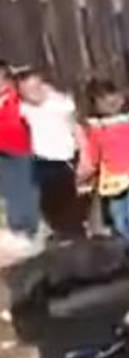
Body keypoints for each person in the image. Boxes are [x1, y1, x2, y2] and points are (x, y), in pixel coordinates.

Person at [78, 81, 129, 273]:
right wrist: (91, 174)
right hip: (113, 175)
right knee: (117, 214)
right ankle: (127, 247)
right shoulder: (96, 125)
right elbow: (95, 151)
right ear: (95, 103)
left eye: (114, 97)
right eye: (104, 100)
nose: (111, 103)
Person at [15, 68, 82, 236]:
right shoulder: (23, 108)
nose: (33, 94)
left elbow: (75, 125)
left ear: (42, 84)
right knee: (51, 209)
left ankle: (76, 239)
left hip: (66, 160)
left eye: (35, 88)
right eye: (27, 91)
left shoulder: (60, 104)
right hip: (42, 163)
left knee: (71, 208)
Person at [0, 61, 39, 245]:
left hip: (21, 148)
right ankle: (17, 228)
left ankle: (30, 227)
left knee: (26, 189)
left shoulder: (16, 97)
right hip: (2, 152)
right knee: (10, 191)